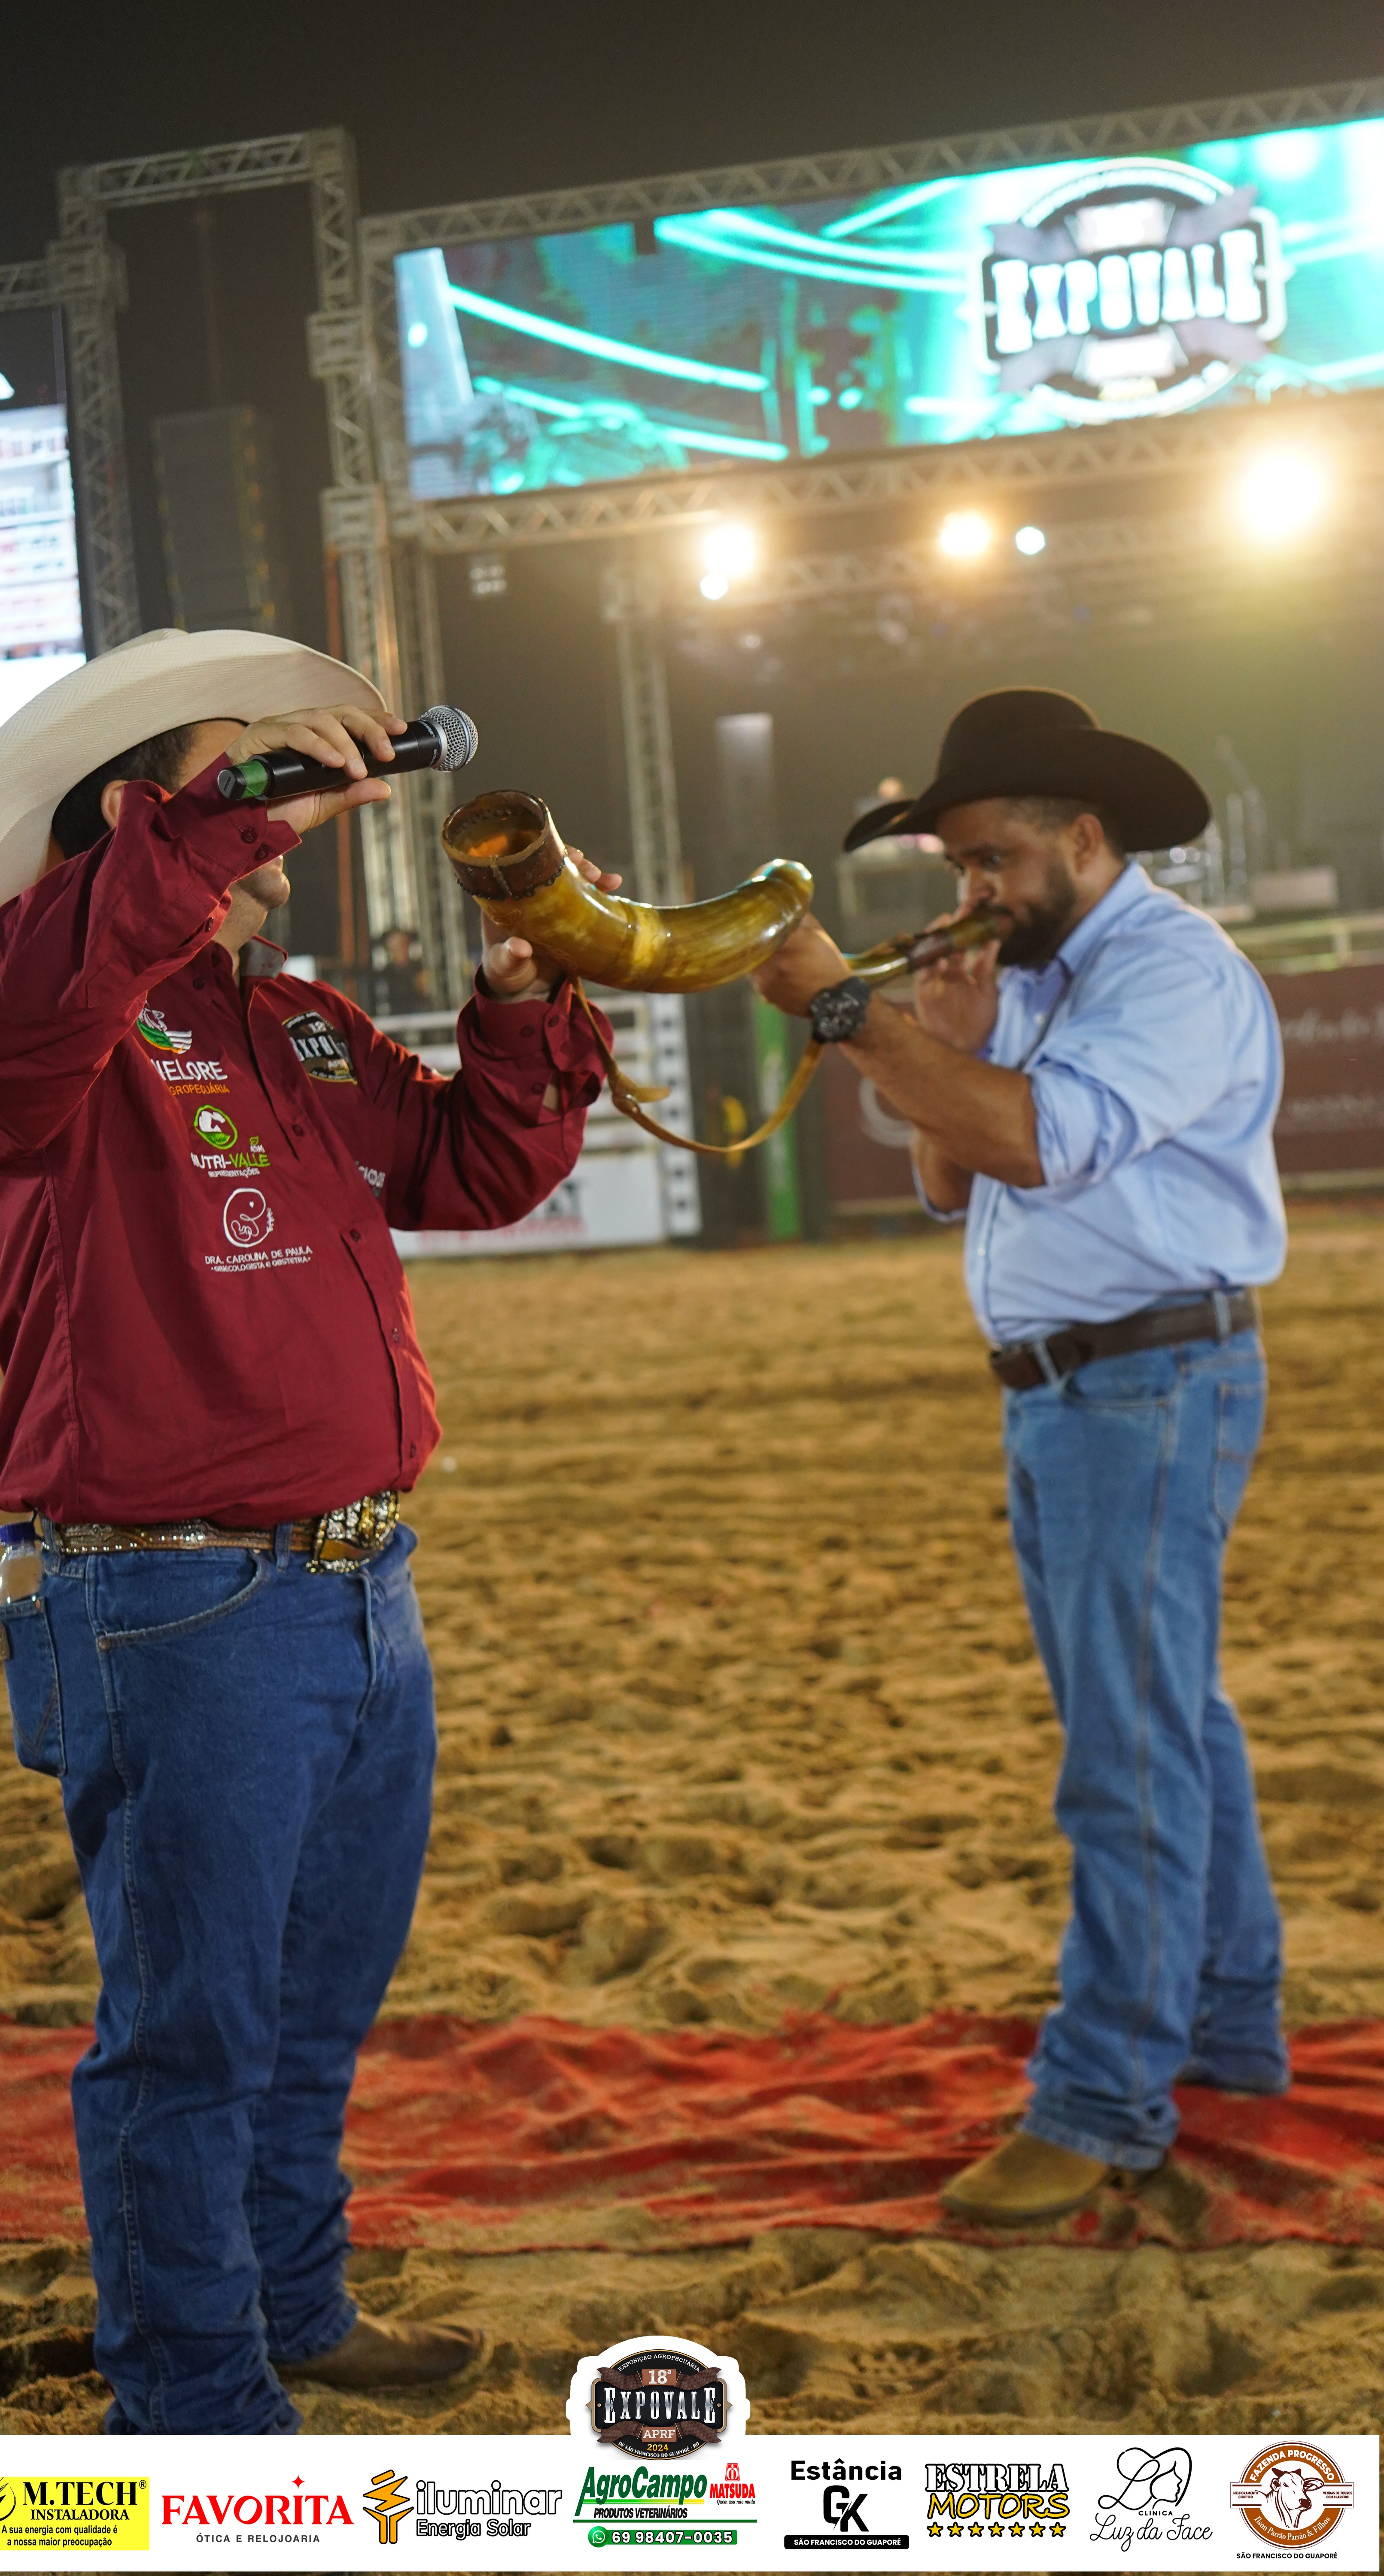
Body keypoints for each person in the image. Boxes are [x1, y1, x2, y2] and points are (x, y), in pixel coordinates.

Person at [0, 626, 615, 2429]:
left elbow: (472, 1168)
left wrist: (526, 999)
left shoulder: (292, 1018)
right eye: (243, 784)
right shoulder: (20, 1007)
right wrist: (240, 800)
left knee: (305, 2011)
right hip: (175, 1601)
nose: (288, 835)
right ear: (136, 820)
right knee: (194, 2036)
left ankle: (289, 2308)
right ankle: (195, 2410)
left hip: (354, 1583)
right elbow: (35, 1011)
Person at [754, 687, 1287, 2223]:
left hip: (1145, 1384)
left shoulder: (1169, 970)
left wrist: (852, 1014)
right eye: (959, 867)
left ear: (1085, 836)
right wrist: (949, 1042)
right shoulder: (1048, 973)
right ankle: (1229, 2023)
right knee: (1165, 1719)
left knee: (1127, 1748)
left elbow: (1038, 1143)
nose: (971, 893)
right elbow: (954, 1169)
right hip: (1085, 1389)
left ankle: (1106, 2097)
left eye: (991, 860)